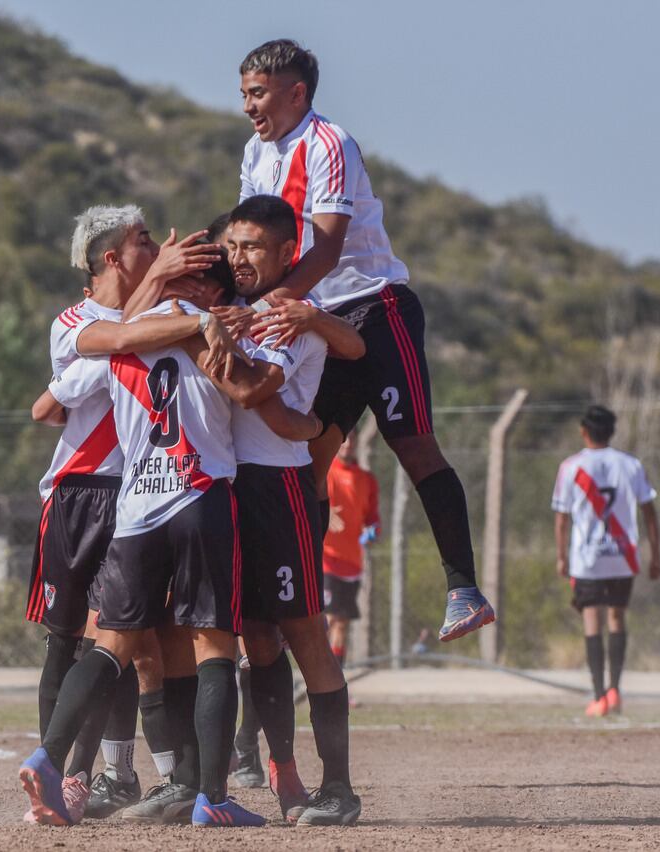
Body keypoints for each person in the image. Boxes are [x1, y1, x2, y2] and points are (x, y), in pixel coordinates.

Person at [229, 38, 495, 643]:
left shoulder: (330, 143)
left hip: (375, 308)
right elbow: (250, 240)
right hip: (311, 319)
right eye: (243, 93)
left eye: (258, 93)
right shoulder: (254, 151)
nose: (248, 106)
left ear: (297, 93)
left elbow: (324, 248)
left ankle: (464, 589)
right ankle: (299, 594)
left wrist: (262, 305)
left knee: (412, 444)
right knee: (309, 460)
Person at [22, 258, 269, 829]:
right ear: (210, 289)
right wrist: (223, 330)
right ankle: (212, 798)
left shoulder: (123, 340)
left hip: (135, 511)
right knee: (215, 648)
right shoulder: (207, 330)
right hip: (199, 495)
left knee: (108, 647)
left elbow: (49, 405)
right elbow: (251, 391)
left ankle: (47, 758)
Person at [207, 195, 363, 826]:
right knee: (257, 641)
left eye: (253, 247)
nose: (239, 258)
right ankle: (286, 777)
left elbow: (258, 388)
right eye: (233, 246)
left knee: (305, 636)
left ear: (284, 253)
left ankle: (341, 790)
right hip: (223, 485)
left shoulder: (285, 316)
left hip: (280, 489)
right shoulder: (228, 311)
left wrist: (295, 421)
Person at [553, 405, 660, 717]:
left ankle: (598, 696)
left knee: (592, 621)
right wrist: (656, 555)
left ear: (583, 431)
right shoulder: (631, 465)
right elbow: (649, 512)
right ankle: (615, 691)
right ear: (612, 432)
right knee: (617, 618)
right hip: (622, 557)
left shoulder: (570, 467)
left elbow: (561, 519)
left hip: (587, 558)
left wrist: (561, 556)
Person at [322, 429, 381, 666]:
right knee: (329, 619)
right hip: (326, 559)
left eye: (351, 440)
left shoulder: (366, 480)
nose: (347, 445)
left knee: (342, 622)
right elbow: (303, 500)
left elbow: (372, 517)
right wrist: (324, 513)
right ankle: (320, 679)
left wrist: (373, 530)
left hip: (352, 563)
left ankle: (337, 678)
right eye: (343, 440)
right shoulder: (324, 471)